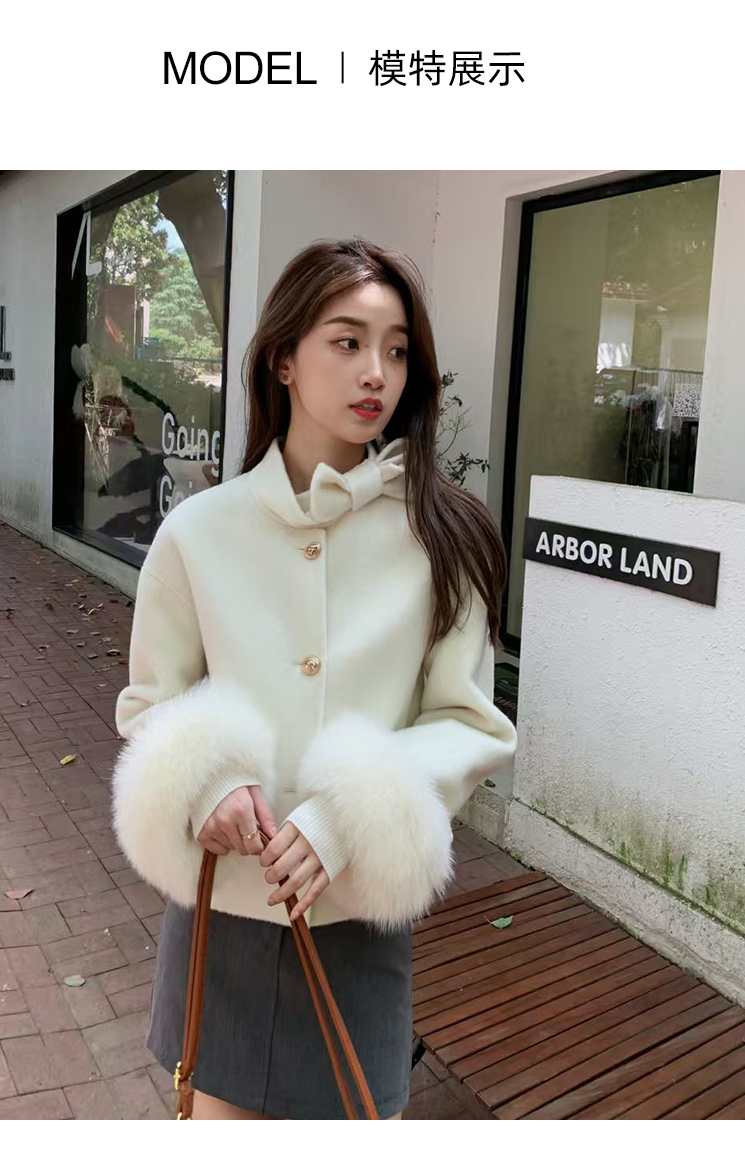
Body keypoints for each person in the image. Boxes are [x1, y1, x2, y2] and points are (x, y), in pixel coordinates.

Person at [111, 237, 518, 1120]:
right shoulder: (198, 533)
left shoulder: (444, 537)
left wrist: (345, 814)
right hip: (223, 906)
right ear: (283, 359)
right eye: (347, 341)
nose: (377, 371)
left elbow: (469, 723)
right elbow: (151, 702)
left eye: (397, 349)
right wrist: (205, 782)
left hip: (358, 915)